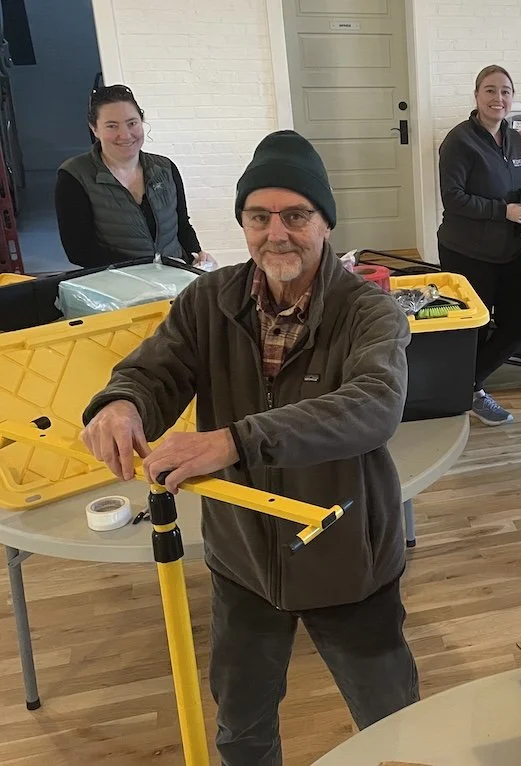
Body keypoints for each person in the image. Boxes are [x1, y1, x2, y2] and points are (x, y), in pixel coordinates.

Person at [78, 130, 419, 765]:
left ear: (324, 223)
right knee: (241, 727)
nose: (276, 233)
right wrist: (120, 402)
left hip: (348, 558)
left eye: (295, 216)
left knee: (391, 726)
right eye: (259, 217)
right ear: (243, 223)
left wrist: (235, 440)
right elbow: (153, 371)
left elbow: (374, 406)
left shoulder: (369, 312)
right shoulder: (210, 300)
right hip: (243, 562)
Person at [436, 64, 521, 427]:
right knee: (474, 327)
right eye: (490, 90)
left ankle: (462, 386)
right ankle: (470, 390)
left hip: (508, 251)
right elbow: (453, 199)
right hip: (466, 251)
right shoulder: (459, 141)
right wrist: (504, 211)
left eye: (505, 91)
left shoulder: (514, 139)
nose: (498, 98)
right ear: (477, 96)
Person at [55, 84, 216, 270]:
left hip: (174, 278)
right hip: (118, 286)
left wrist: (197, 257)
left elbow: (182, 226)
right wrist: (150, 268)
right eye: (111, 126)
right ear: (94, 129)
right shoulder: (74, 175)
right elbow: (79, 251)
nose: (125, 135)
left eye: (132, 123)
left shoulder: (165, 168)